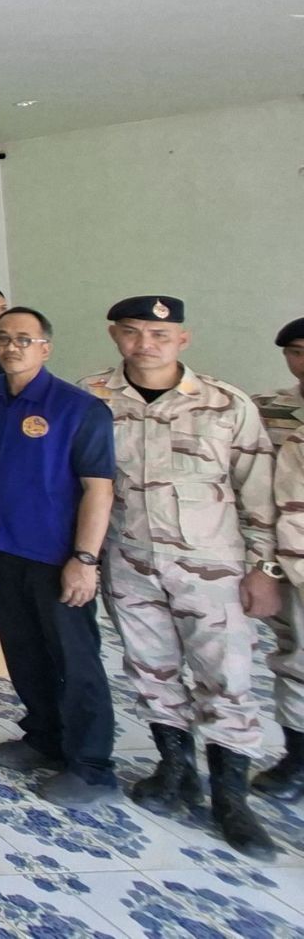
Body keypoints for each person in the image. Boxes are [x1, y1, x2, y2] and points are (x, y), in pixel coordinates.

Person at [84, 296, 278, 858]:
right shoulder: (91, 398)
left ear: (182, 340)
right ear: (114, 335)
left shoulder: (225, 403)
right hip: (128, 560)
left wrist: (265, 568)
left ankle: (232, 798)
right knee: (150, 669)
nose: (145, 344)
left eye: (159, 335)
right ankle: (175, 770)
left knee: (227, 676)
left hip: (212, 566)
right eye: (132, 332)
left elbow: (258, 492)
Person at [0, 306, 117, 804]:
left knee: (74, 658)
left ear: (46, 348)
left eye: (24, 339)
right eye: (4, 338)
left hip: (56, 555)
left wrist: (85, 559)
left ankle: (92, 766)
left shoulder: (79, 408)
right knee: (24, 650)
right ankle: (44, 737)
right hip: (0, 547)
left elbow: (98, 490)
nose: (12, 347)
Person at [261, 317, 304, 800]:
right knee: (294, 657)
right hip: (287, 559)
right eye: (296, 351)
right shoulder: (268, 410)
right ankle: (297, 760)